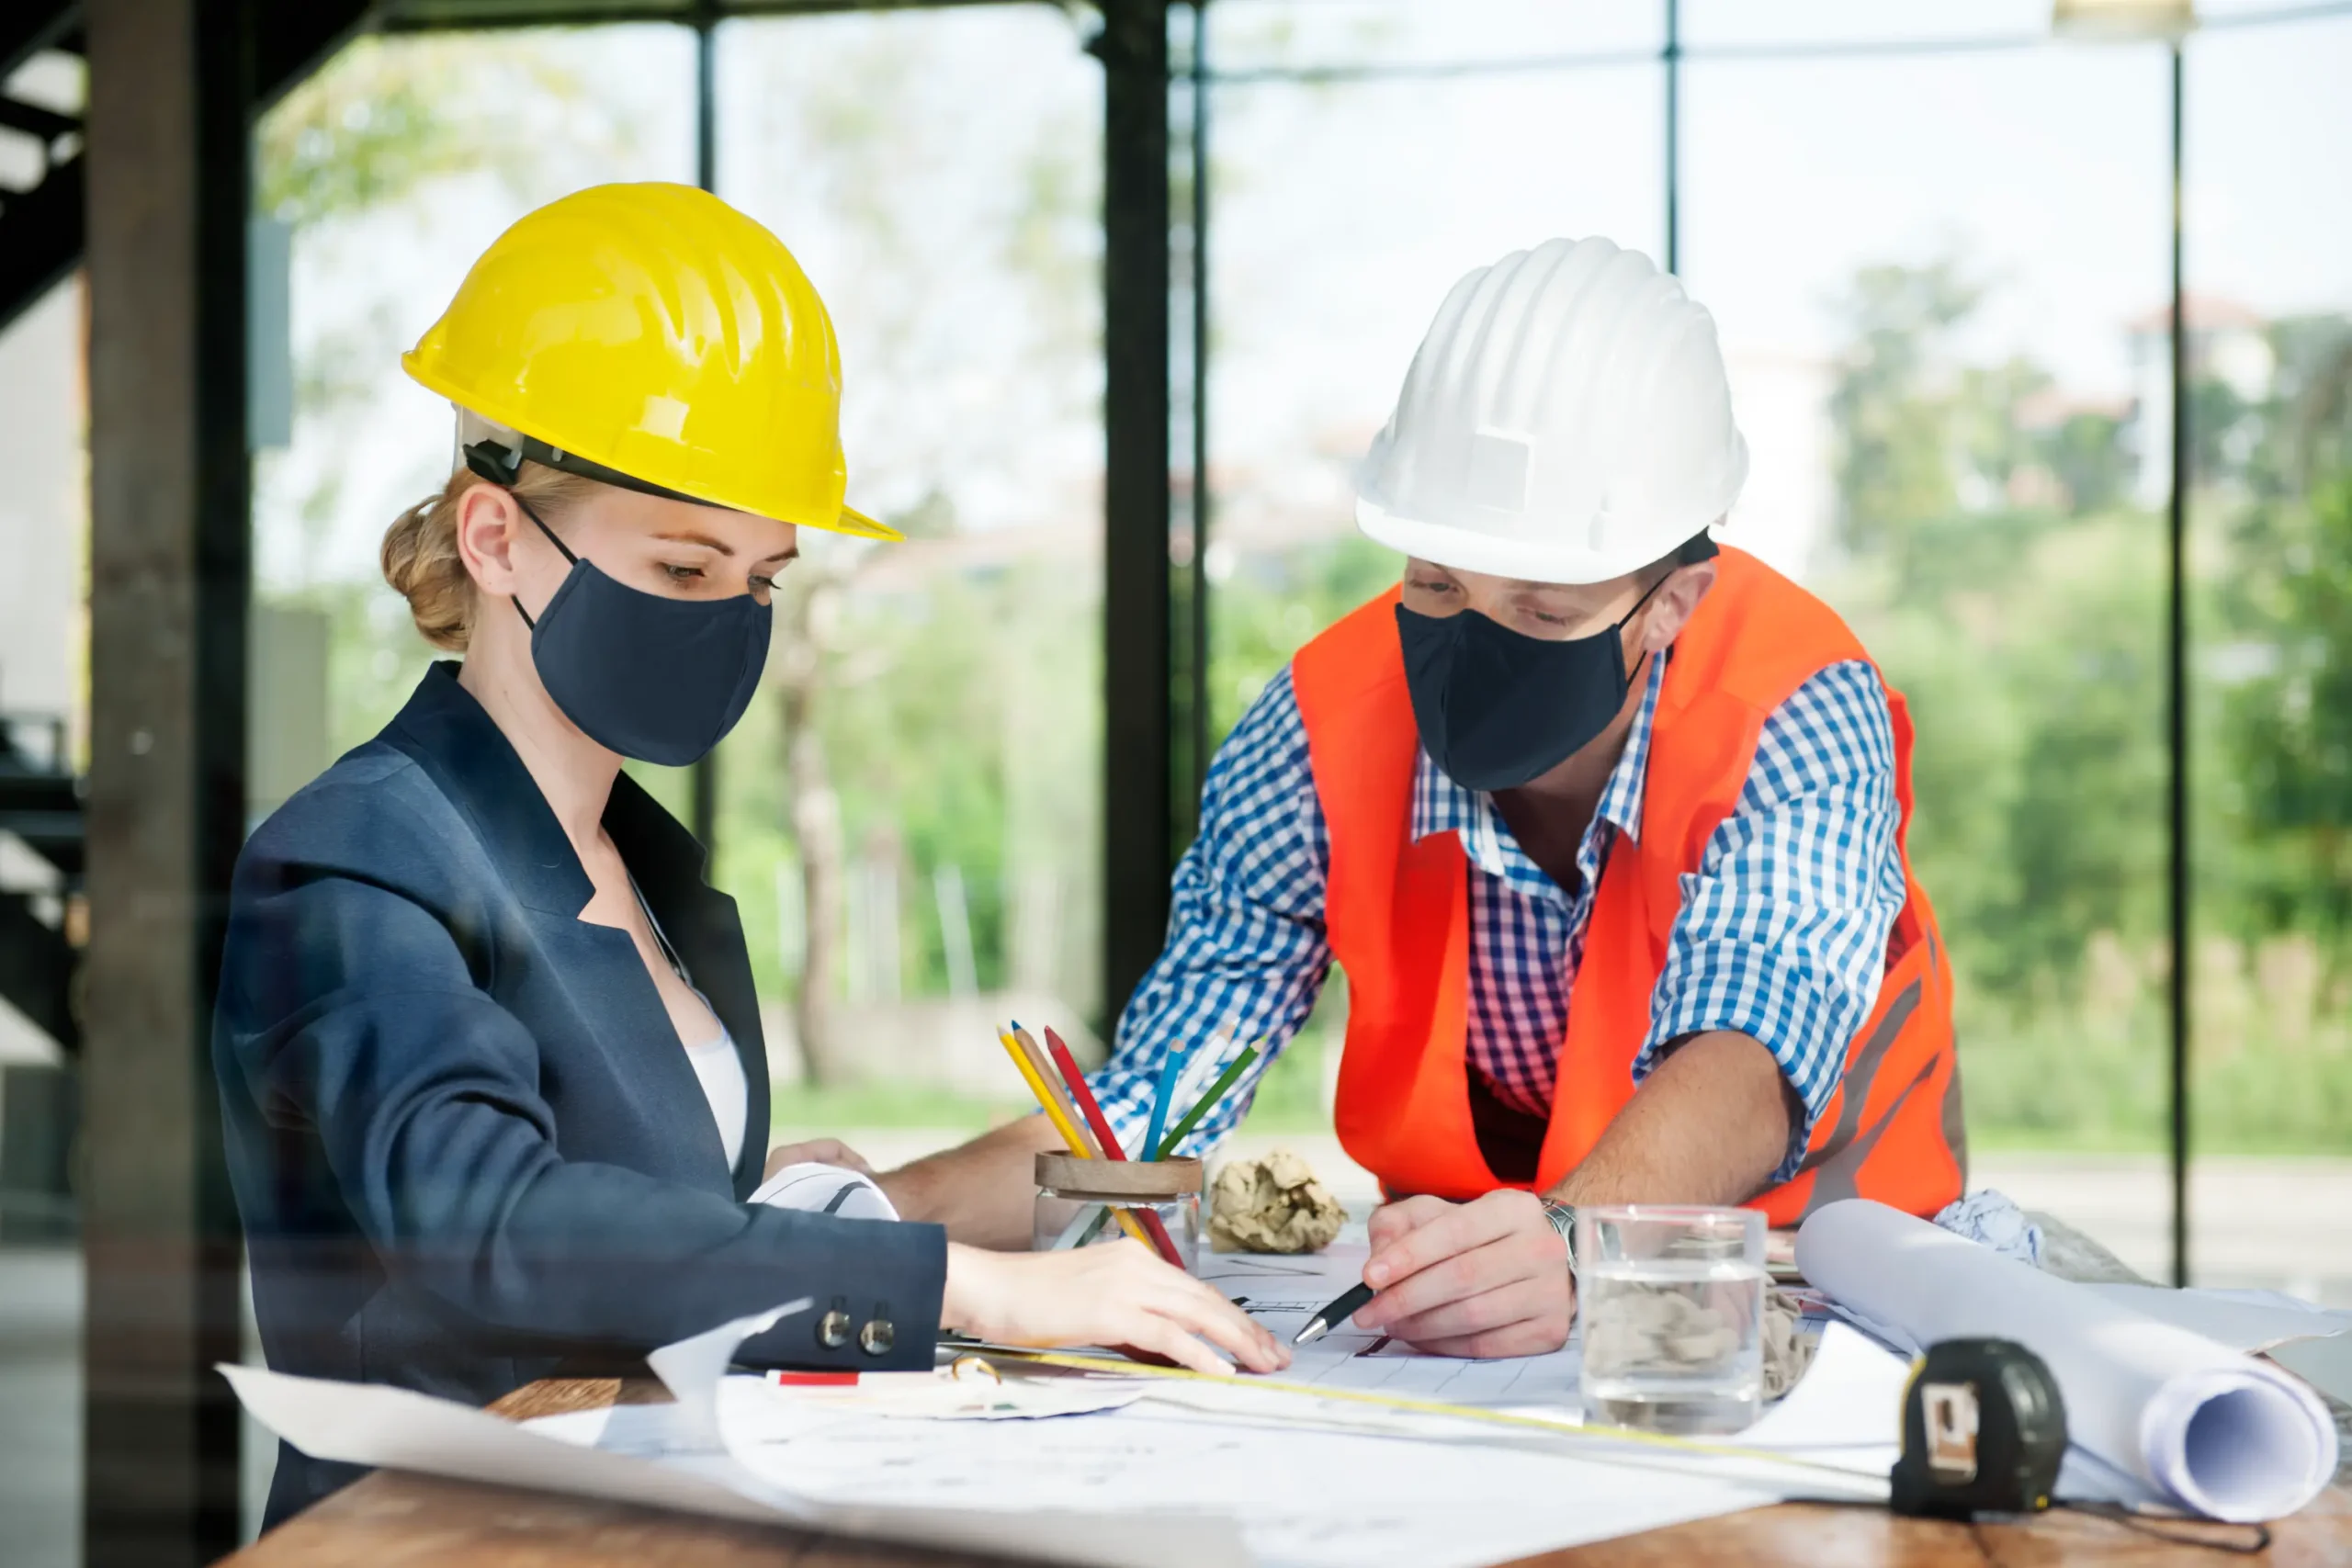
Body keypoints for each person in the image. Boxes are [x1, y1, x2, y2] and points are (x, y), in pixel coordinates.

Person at [214, 183, 1281, 1527]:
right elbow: (490, 1219)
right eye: (680, 568)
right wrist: (954, 1277)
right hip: (451, 1539)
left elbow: (649, 1218)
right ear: (497, 538)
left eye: (759, 579)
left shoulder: (652, 872)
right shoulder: (354, 855)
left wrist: (784, 1196)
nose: (726, 619)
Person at [876, 237, 1964, 1358]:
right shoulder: (1317, 725)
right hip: (1457, 1322)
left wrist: (1573, 1243)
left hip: (1818, 1292)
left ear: (1672, 598)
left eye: (1542, 610)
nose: (1478, 638)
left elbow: (1750, 1048)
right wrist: (880, 1218)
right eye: (1436, 583)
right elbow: (1161, 1094)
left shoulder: (1794, 701)